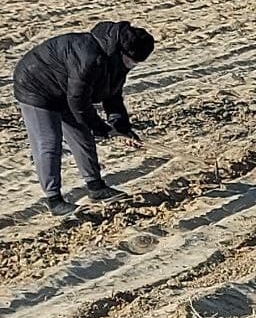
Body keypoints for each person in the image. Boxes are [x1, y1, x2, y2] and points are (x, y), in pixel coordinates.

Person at [13, 21, 155, 216]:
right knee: (49, 143)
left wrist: (122, 128)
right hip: (36, 86)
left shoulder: (116, 61)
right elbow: (79, 104)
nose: (133, 65)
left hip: (66, 89)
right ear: (122, 52)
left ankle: (96, 188)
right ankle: (54, 200)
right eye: (132, 61)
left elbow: (113, 96)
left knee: (82, 137)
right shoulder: (89, 58)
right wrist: (104, 130)